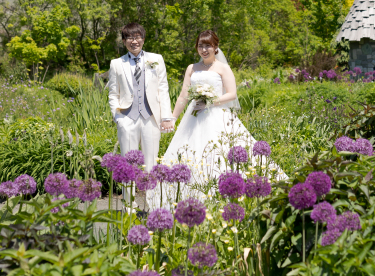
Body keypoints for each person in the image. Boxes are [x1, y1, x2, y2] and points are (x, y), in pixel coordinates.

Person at [162, 30, 260, 182]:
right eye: (200, 46)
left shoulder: (223, 68)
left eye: (208, 46)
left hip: (217, 115)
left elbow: (232, 94)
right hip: (193, 117)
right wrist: (173, 118)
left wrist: (209, 101)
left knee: (217, 151)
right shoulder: (191, 68)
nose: (204, 50)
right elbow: (183, 95)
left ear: (215, 47)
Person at [107, 22, 175, 206]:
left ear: (143, 39)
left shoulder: (156, 59)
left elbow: (163, 89)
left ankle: (153, 205)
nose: (134, 41)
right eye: (129, 37)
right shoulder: (116, 64)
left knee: (151, 163)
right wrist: (118, 117)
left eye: (137, 37)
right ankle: (129, 205)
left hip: (150, 118)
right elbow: (113, 93)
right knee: (127, 165)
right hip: (127, 119)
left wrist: (166, 117)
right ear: (124, 41)